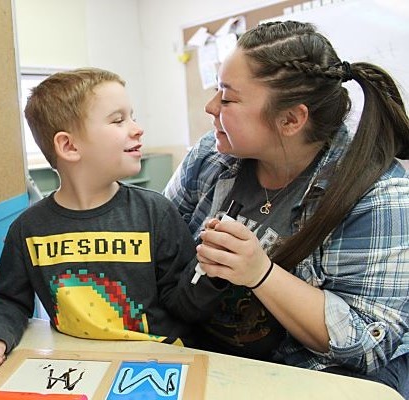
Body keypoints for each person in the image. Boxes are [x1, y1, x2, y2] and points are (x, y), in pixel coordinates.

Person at [164, 21, 409, 397]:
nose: (211, 107)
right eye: (217, 90)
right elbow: (162, 246)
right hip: (213, 356)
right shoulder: (210, 158)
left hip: (318, 373)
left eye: (227, 98)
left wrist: (259, 272)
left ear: (291, 120)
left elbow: (366, 344)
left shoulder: (379, 193)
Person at [0, 68, 198, 371]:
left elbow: (186, 304)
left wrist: (212, 274)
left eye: (133, 116)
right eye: (118, 120)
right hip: (78, 368)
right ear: (69, 146)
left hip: (158, 364)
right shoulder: (28, 229)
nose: (138, 128)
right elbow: (7, 299)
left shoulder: (156, 213)